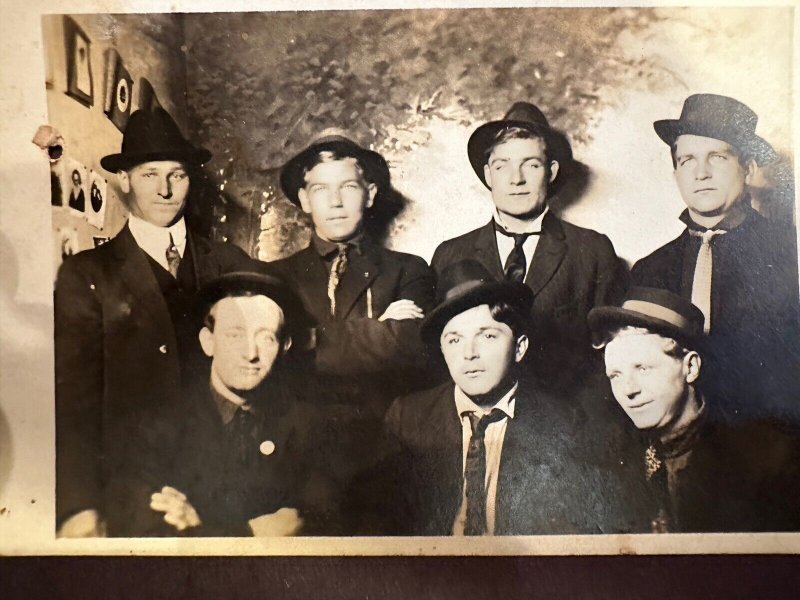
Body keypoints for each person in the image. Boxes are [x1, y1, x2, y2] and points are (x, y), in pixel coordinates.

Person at [55, 107, 255, 537]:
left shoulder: (231, 263)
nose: (165, 190)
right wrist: (78, 504)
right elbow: (73, 398)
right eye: (149, 175)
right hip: (133, 491)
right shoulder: (89, 273)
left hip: (225, 485)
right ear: (125, 179)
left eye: (177, 175)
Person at [374, 260, 642, 536]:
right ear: (442, 350)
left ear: (519, 347)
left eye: (488, 336)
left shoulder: (564, 422)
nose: (469, 354)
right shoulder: (408, 417)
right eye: (454, 340)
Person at [263, 131, 435, 525]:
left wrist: (301, 339)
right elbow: (271, 358)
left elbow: (411, 348)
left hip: (387, 458)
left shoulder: (409, 270)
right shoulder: (273, 278)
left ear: (371, 194)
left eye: (348, 187)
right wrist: (381, 329)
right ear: (305, 199)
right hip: (295, 462)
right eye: (321, 189)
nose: (336, 201)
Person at [120, 272, 335, 536]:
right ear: (208, 342)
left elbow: (320, 520)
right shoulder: (156, 426)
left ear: (284, 346)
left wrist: (199, 527)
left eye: (266, 337)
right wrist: (250, 533)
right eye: (235, 336)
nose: (251, 353)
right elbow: (146, 534)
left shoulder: (308, 425)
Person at [431, 102, 627, 389]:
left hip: (564, 422)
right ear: (488, 175)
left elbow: (610, 357)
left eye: (531, 165)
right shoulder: (450, 254)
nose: (516, 179)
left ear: (551, 172)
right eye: (502, 166)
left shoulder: (591, 250)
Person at [631, 93, 800, 424]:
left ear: (748, 168)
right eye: (687, 160)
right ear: (676, 173)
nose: (701, 173)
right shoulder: (649, 270)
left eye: (718, 157)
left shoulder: (789, 253)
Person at [589, 287, 800, 532]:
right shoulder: (612, 463)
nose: (628, 390)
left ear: (690, 367)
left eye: (643, 368)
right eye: (615, 375)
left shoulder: (760, 456)